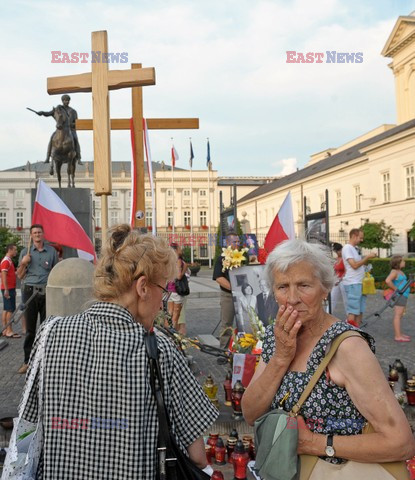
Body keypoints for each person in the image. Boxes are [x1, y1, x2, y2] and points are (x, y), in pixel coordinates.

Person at [13, 225, 217, 479]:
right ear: (143, 287)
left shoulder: (49, 333)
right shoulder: (160, 350)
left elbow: (27, 426)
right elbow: (196, 455)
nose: (162, 304)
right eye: (163, 291)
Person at [242, 239, 415, 466]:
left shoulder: (347, 347)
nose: (292, 298)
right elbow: (250, 413)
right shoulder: (278, 338)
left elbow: (401, 442)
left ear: (325, 289)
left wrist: (312, 443)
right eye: (283, 287)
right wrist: (281, 358)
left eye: (304, 285)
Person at [16, 224, 58, 374]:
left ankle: (48, 360)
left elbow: (55, 272)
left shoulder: (51, 251)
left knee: (47, 327)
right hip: (30, 292)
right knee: (30, 330)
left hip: (46, 291)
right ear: (31, 236)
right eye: (34, 233)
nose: (37, 234)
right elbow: (20, 275)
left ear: (43, 234)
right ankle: (28, 361)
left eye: (39, 232)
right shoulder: (25, 252)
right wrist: (23, 263)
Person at [342, 228, 376, 327]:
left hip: (359, 282)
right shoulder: (347, 248)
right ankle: (350, 335)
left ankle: (358, 332)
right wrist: (367, 257)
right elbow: (354, 265)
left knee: (360, 309)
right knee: (353, 310)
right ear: (354, 236)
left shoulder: (354, 249)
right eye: (360, 238)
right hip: (353, 283)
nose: (361, 240)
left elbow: (357, 265)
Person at [212, 232, 240, 348]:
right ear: (228, 243)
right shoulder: (222, 258)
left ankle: (242, 348)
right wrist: (234, 289)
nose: (237, 244)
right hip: (228, 296)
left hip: (243, 296)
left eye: (239, 242)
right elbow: (218, 277)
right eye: (235, 242)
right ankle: (223, 350)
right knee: (227, 324)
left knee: (244, 323)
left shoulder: (242, 256)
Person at [38, 94, 82, 165]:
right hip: (60, 130)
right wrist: (42, 113)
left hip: (70, 130)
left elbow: (77, 122)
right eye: (64, 100)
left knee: (76, 139)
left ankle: (79, 158)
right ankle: (47, 157)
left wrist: (71, 124)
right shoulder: (58, 110)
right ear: (62, 101)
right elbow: (48, 113)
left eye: (67, 100)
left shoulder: (73, 111)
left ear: (69, 101)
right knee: (52, 137)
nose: (66, 102)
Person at [385, 255, 411, 342]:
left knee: (400, 315)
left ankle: (399, 333)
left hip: (403, 295)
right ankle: (398, 336)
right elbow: (387, 280)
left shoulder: (399, 271)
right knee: (397, 315)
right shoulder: (394, 272)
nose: (404, 262)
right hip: (400, 296)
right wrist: (396, 289)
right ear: (398, 263)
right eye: (403, 261)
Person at [167, 243, 188, 334]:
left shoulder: (169, 261)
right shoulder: (178, 260)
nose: (181, 250)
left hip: (169, 290)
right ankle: (173, 335)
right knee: (176, 315)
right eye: (179, 248)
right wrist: (185, 268)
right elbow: (179, 276)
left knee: (170, 313)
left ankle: (167, 332)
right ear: (175, 250)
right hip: (177, 290)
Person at [1, 243, 21, 338]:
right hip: (8, 288)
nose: (16, 252)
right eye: (15, 250)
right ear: (10, 250)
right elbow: (3, 275)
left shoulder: (8, 261)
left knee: (6, 309)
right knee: (10, 309)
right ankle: (9, 330)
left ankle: (5, 329)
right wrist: (6, 289)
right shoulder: (6, 261)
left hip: (9, 288)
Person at [330, 243, 347, 316]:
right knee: (332, 298)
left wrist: (340, 279)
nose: (337, 253)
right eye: (336, 252)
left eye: (338, 251)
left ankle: (349, 317)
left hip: (343, 281)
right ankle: (328, 313)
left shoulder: (345, 259)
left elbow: (347, 271)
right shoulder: (336, 259)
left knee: (346, 300)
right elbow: (334, 271)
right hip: (337, 281)